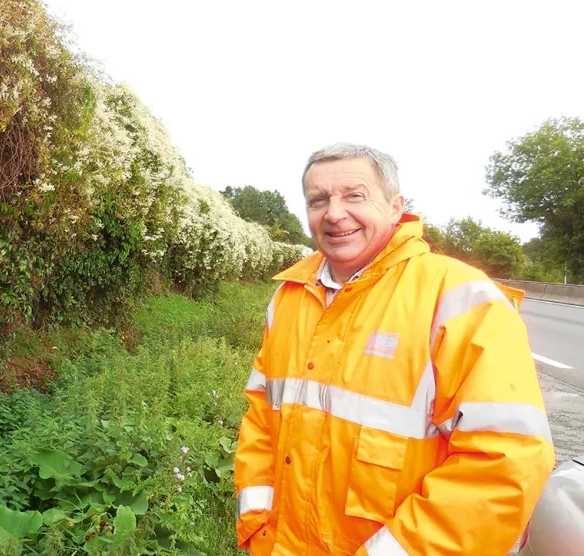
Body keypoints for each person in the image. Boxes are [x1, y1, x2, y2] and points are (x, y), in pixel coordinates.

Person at [233, 143, 555, 556]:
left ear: (395, 206)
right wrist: (258, 526)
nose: (334, 213)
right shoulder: (289, 299)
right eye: (319, 200)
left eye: (355, 195)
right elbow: (261, 416)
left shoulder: (458, 297)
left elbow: (507, 462)